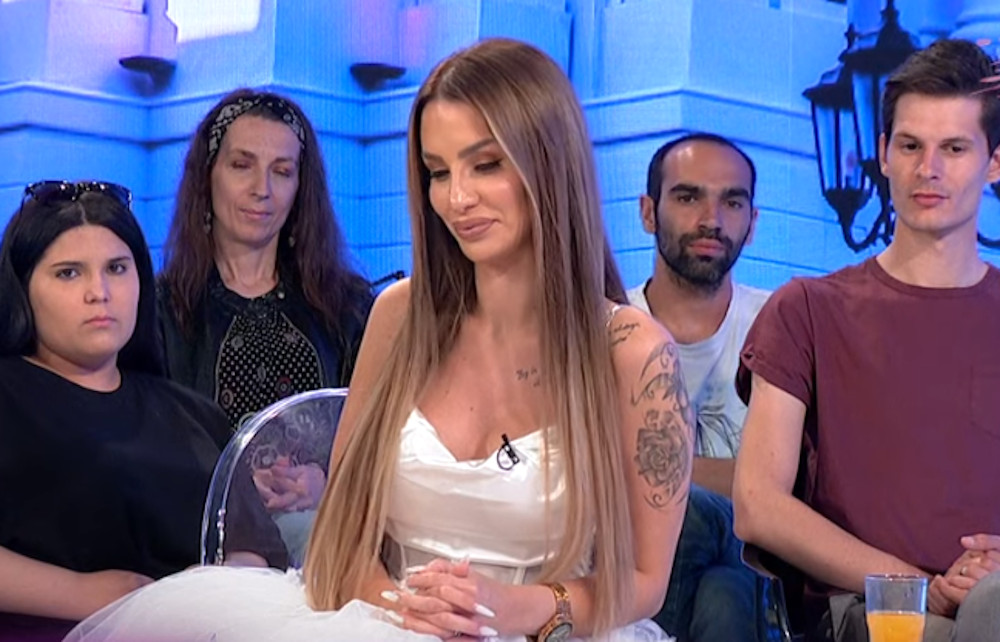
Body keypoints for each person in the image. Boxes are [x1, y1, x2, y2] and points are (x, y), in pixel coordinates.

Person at [66, 37, 693, 642]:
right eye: (437, 172)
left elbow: (644, 581)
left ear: (551, 164)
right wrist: (409, 614)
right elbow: (341, 537)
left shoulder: (635, 354)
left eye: (486, 165)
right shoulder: (399, 317)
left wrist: (510, 610)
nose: (457, 198)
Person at [732, 38, 1000, 642]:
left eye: (954, 148)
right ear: (882, 153)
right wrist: (917, 587)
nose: (928, 169)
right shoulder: (807, 309)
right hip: (868, 612)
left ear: (994, 163)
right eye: (910, 145)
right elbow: (756, 504)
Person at [0, 181, 285, 642]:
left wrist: (212, 584)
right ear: (23, 289)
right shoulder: (9, 395)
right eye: (69, 273)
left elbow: (256, 548)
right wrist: (88, 594)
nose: (99, 292)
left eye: (117, 268)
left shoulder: (194, 414)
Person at [157, 88, 373, 430]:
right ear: (207, 176)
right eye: (242, 166)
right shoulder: (160, 311)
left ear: (301, 188)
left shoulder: (349, 310)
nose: (262, 189)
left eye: (282, 171)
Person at [627, 133, 768, 641]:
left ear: (752, 224)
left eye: (732, 202)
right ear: (648, 212)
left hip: (756, 551)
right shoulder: (607, 328)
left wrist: (650, 476)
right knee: (723, 597)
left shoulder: (782, 324)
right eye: (688, 197)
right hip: (628, 557)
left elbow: (791, 489)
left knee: (693, 518)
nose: (712, 220)